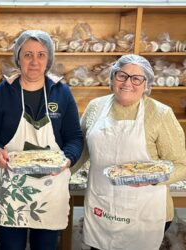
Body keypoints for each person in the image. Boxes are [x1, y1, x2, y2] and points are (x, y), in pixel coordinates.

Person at [0, 30, 83, 250]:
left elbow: (75, 138)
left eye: (41, 55)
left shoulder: (62, 92)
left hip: (50, 186)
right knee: (11, 246)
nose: (34, 61)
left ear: (49, 59)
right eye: (28, 55)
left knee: (45, 246)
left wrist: (68, 159)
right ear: (18, 58)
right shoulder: (3, 92)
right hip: (12, 187)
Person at [73, 54, 186, 250]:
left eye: (136, 78)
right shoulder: (95, 107)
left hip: (144, 210)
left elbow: (182, 165)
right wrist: (58, 173)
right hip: (102, 204)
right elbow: (82, 151)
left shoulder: (161, 114)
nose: (127, 83)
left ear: (146, 84)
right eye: (121, 75)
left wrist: (152, 178)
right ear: (112, 78)